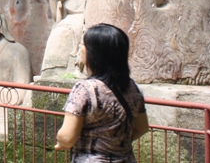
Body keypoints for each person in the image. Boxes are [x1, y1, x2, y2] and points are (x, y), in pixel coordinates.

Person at [55, 24, 150, 162]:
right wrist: (113, 144)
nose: (80, 49)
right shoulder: (132, 88)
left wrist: (61, 141)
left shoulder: (84, 89)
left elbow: (67, 137)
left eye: (83, 45)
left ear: (95, 53)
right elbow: (142, 127)